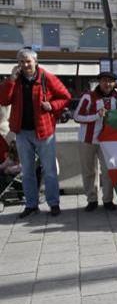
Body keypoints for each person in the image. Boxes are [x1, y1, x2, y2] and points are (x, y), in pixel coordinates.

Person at [0, 48, 71, 218]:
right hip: (22, 132)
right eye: (21, 62)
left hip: (44, 132)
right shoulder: (15, 80)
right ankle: (31, 205)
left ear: (35, 62)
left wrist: (52, 106)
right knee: (27, 171)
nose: (25, 65)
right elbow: (3, 100)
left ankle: (53, 203)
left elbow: (65, 96)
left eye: (28, 61)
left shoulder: (47, 77)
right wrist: (10, 80)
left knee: (50, 169)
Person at [73, 71, 117, 212]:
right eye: (104, 81)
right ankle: (92, 200)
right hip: (87, 140)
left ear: (114, 83)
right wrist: (96, 116)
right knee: (89, 171)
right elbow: (77, 116)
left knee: (108, 171)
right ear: (99, 82)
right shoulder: (88, 96)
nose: (107, 84)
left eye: (110, 81)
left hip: (107, 140)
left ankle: (107, 200)